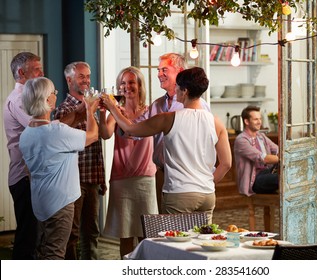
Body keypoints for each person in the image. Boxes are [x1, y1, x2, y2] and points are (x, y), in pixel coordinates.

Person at [101, 67, 231, 223]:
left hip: (179, 194)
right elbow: (226, 163)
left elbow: (130, 129)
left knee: (175, 245)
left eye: (177, 87)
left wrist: (112, 107)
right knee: (201, 244)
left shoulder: (169, 118)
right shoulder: (216, 122)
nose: (175, 91)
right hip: (207, 195)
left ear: (185, 91)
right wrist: (207, 183)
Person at [19, 77, 99, 259]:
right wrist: (90, 110)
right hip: (60, 203)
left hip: (40, 201)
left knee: (41, 251)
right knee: (55, 254)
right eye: (54, 93)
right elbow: (93, 135)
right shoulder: (56, 133)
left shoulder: (27, 134)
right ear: (47, 100)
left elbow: (59, 125)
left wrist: (79, 111)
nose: (56, 96)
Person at [99, 67, 158, 258]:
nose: (126, 87)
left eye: (131, 82)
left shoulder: (150, 112)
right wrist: (102, 112)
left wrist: (113, 109)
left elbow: (132, 130)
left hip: (145, 178)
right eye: (122, 83)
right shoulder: (116, 112)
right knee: (124, 235)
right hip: (121, 179)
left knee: (145, 233)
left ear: (140, 85)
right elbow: (106, 134)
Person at [139, 53, 210, 211]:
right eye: (158, 70)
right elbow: (135, 130)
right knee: (165, 227)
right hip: (162, 174)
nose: (159, 74)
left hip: (189, 177)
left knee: (188, 232)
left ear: (179, 71)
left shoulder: (199, 106)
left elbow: (208, 143)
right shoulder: (157, 105)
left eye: (164, 69)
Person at [54, 61, 106, 260]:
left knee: (91, 231)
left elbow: (100, 141)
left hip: (91, 177)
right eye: (81, 76)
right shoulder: (63, 110)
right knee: (72, 233)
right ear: (69, 80)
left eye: (88, 76)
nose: (86, 80)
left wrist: (101, 177)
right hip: (73, 180)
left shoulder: (92, 106)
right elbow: (78, 143)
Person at [3, 52, 43, 259]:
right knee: (27, 238)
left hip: (31, 177)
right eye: (37, 69)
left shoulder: (29, 98)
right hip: (23, 177)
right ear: (21, 73)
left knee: (34, 237)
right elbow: (38, 126)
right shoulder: (18, 99)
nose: (42, 73)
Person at [234, 105, 279, 196]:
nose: (259, 122)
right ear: (246, 121)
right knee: (282, 178)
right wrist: (284, 159)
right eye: (255, 119)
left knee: (289, 175)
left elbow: (277, 149)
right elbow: (263, 158)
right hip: (254, 181)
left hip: (267, 173)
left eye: (260, 119)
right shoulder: (241, 140)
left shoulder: (260, 136)